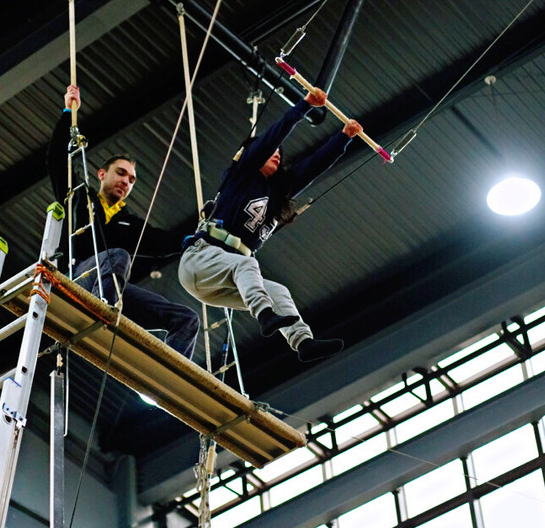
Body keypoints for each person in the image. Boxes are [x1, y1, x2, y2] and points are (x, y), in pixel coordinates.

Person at [178, 86, 360, 362]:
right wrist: (304, 106)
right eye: (271, 150)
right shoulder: (242, 175)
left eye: (279, 152)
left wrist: (344, 138)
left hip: (221, 280)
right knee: (248, 265)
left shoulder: (277, 194)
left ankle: (303, 342)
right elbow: (271, 137)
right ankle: (264, 315)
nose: (277, 153)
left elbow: (312, 167)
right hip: (200, 260)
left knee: (278, 291)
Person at [47, 85, 199, 360]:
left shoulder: (127, 222)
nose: (126, 182)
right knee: (117, 256)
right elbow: (57, 160)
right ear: (102, 174)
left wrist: (193, 240)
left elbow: (158, 240)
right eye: (121, 173)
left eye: (131, 180)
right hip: (77, 276)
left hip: (110, 286)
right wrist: (68, 111)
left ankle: (169, 376)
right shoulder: (79, 196)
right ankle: (101, 311)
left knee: (186, 318)